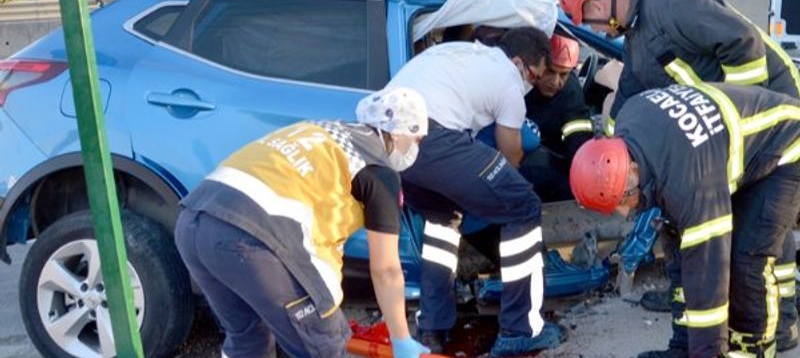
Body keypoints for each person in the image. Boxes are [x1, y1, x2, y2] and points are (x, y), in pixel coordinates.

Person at [558, 0, 800, 355]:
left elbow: (744, 43)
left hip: (772, 104)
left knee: (752, 242)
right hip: (719, 136)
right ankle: (731, 326)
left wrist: (732, 121)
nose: (595, 32)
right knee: (719, 235)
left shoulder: (670, 2)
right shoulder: (636, 39)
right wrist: (605, 159)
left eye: (589, 23)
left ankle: (776, 326)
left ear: (597, 6)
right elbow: (627, 100)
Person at [174, 87, 431, 358]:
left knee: (248, 340)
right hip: (254, 241)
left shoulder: (320, 130)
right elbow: (386, 270)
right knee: (325, 346)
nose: (415, 149)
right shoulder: (377, 170)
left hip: (193, 222)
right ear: (397, 133)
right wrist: (401, 339)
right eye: (416, 140)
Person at [570, 82, 800, 358]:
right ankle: (682, 344)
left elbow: (708, 269)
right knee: (678, 248)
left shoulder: (690, 182)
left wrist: (707, 352)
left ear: (632, 169)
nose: (623, 212)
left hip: (785, 147)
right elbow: (682, 255)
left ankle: (754, 349)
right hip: (719, 149)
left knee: (746, 259)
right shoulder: (628, 122)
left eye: (624, 198)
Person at [386, 27, 567, 357]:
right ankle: (520, 329)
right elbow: (510, 155)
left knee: (444, 219)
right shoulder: (509, 80)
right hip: (430, 135)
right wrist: (497, 194)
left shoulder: (464, 53)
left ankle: (433, 328)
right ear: (519, 63)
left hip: (388, 142)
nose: (533, 84)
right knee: (524, 205)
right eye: (535, 75)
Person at [520, 34, 593, 202]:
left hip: (545, 161)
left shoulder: (571, 94)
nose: (555, 82)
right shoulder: (517, 80)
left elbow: (578, 143)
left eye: (564, 74)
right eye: (550, 71)